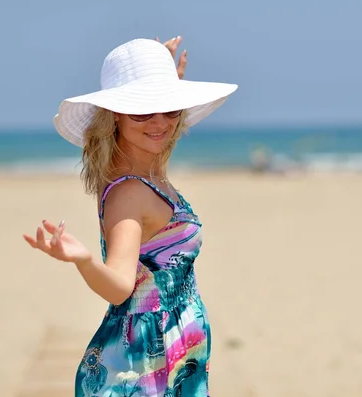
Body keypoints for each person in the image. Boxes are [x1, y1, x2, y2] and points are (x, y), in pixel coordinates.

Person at [23, 36, 238, 396]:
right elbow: (121, 288)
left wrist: (166, 84)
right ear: (115, 116)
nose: (159, 122)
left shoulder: (144, 169)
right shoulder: (130, 193)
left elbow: (160, 132)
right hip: (143, 367)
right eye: (141, 110)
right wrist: (85, 260)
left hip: (173, 354)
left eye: (170, 109)